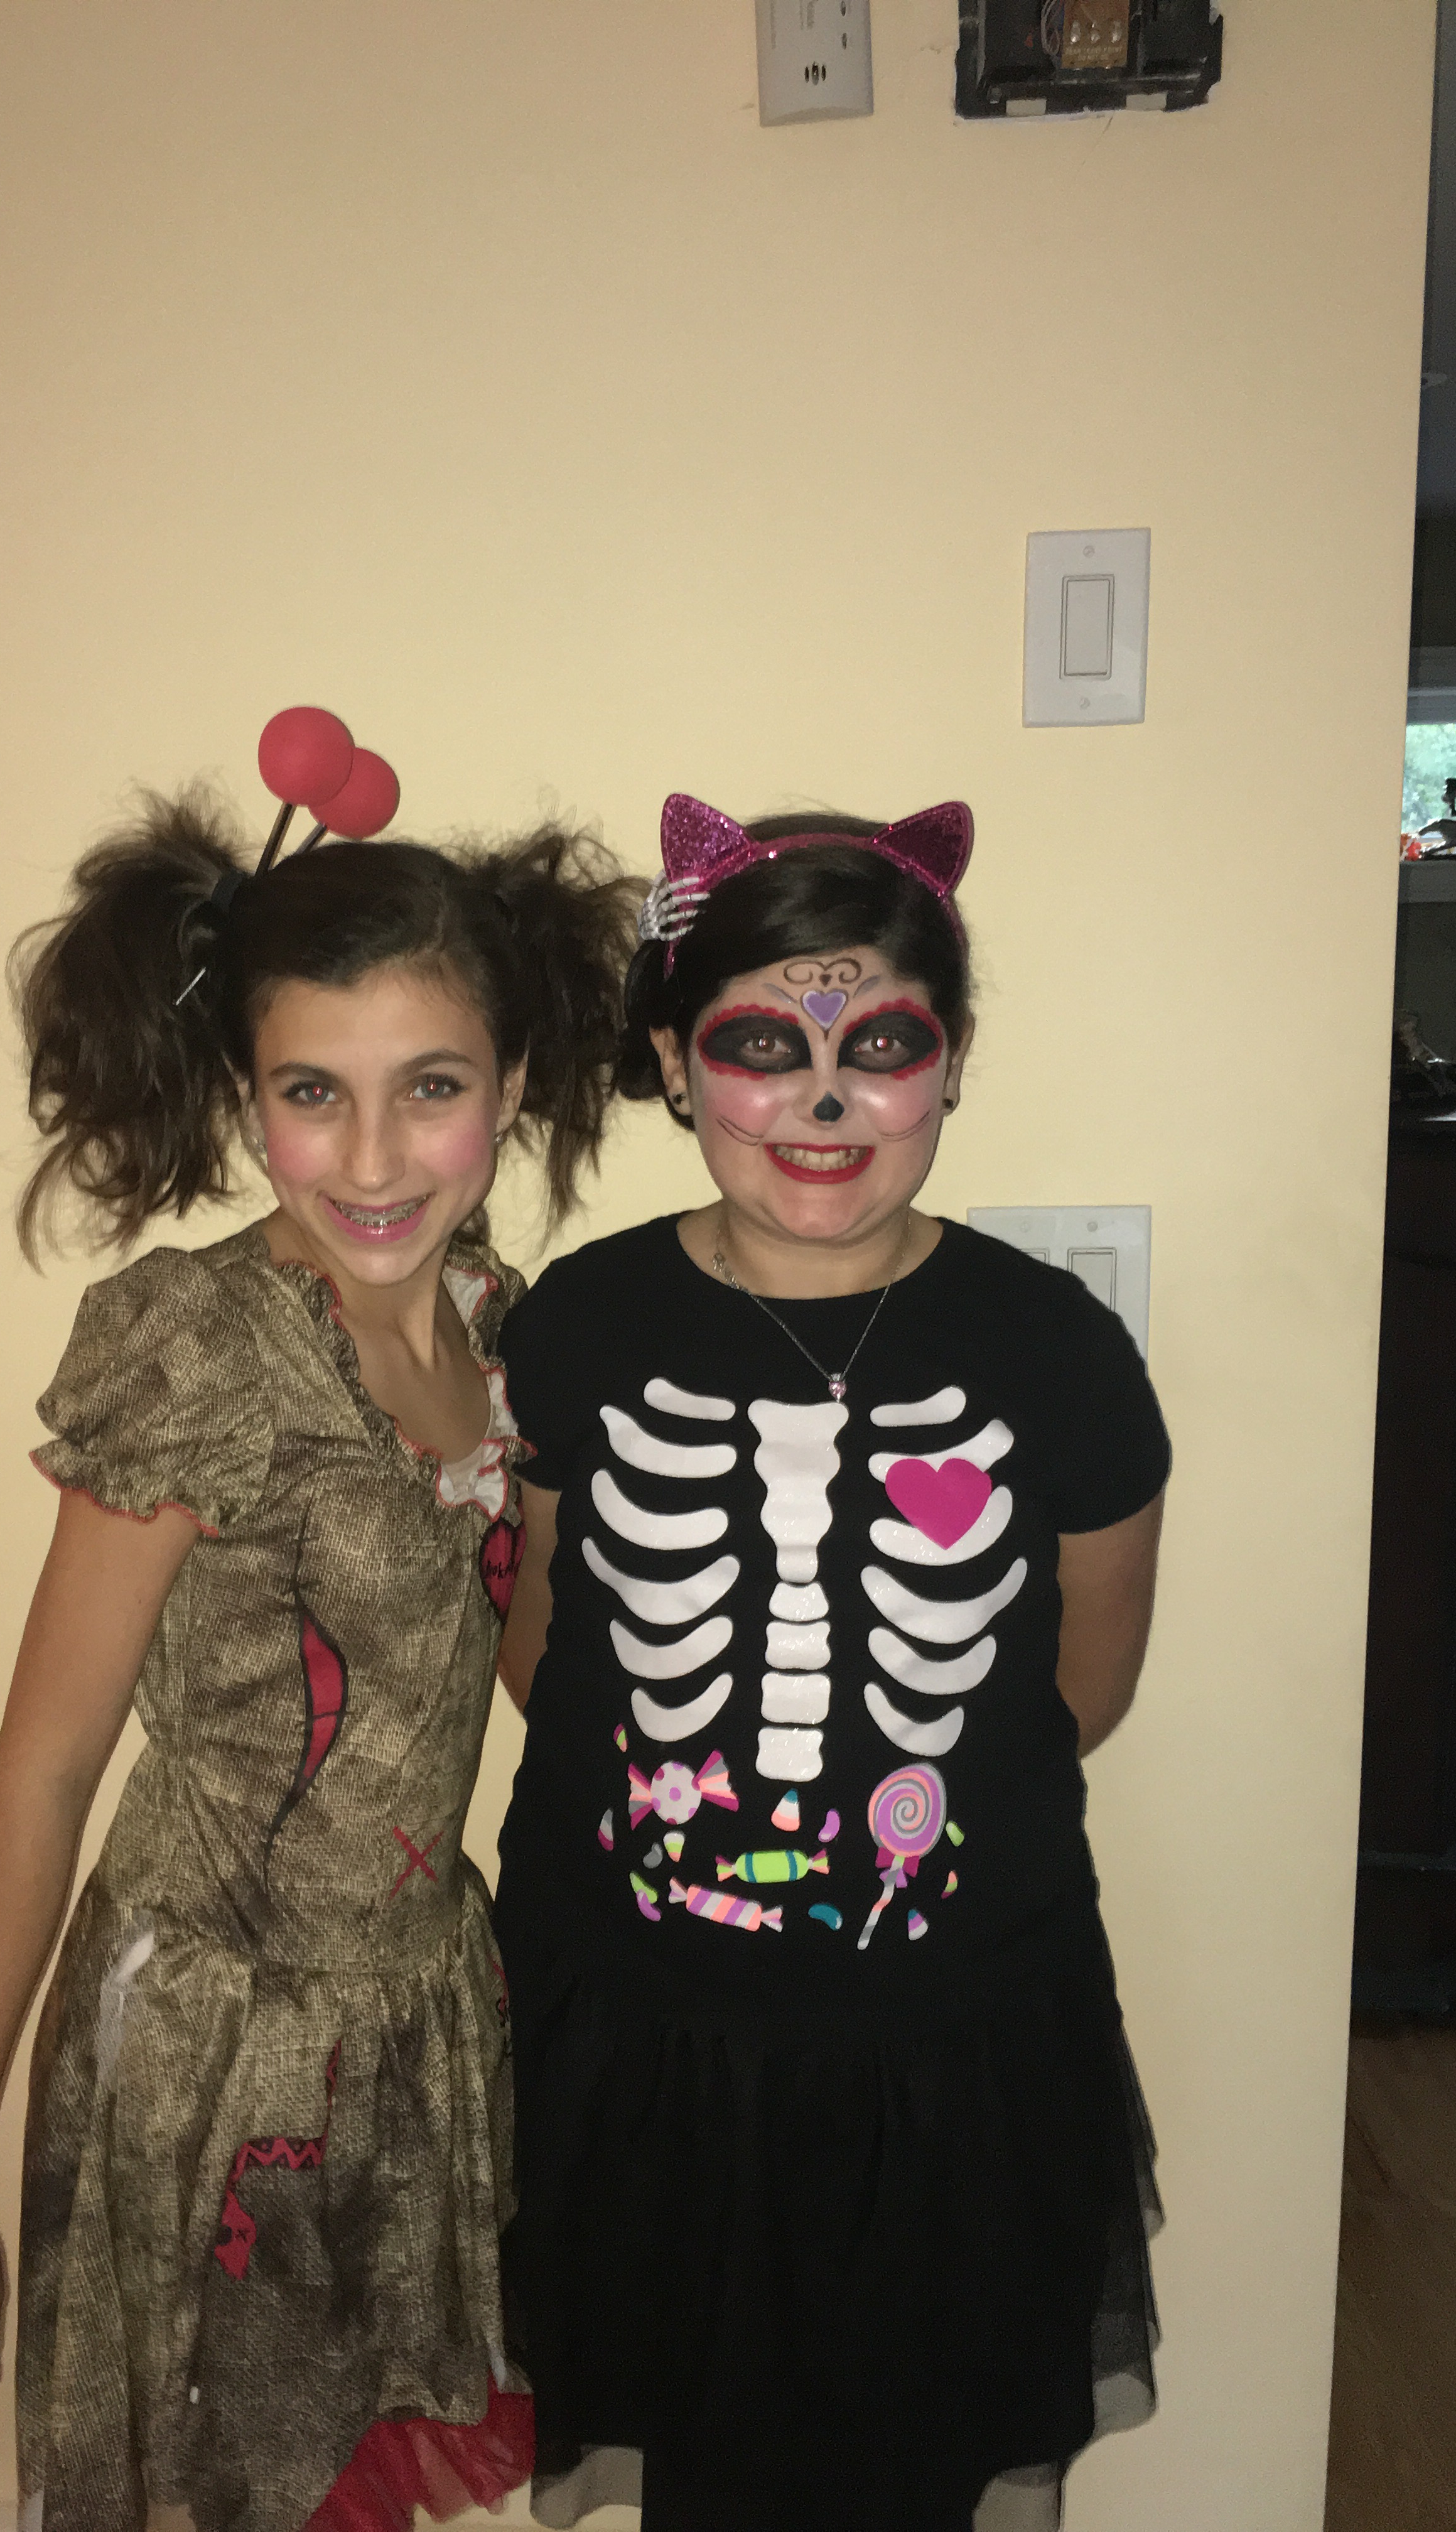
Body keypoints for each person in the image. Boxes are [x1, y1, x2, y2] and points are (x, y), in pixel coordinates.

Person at [0, 778, 639, 2532]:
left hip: (421, 2020)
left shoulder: (502, 1329)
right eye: (313, 1093)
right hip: (208, 2053)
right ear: (247, 1100)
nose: (373, 1159)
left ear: (511, 1083)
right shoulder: (201, 1350)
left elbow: (536, 1673)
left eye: (430, 1087)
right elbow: (38, 1779)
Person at [493, 789, 1168, 2532]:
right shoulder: (575, 1325)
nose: (820, 1100)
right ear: (671, 1064)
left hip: (951, 2040)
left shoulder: (1058, 1351)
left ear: (951, 1064)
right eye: (758, 1044)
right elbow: (544, 1646)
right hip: (638, 2031)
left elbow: (1083, 1686)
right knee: (686, 2459)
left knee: (927, 2466)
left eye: (880, 1046)